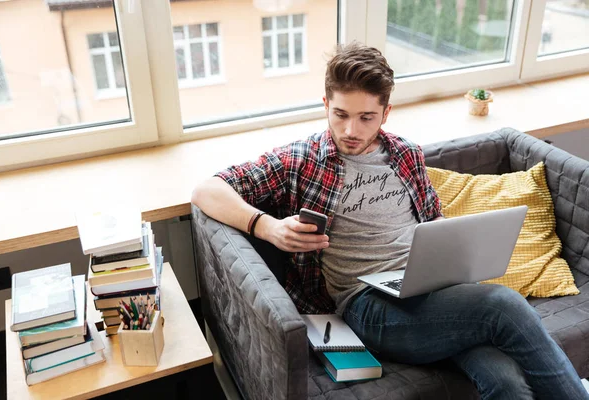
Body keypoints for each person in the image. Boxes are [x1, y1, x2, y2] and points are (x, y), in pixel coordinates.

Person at [191, 42, 588, 400]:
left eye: (366, 117)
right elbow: (206, 190)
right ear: (325, 104)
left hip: (428, 291)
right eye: (340, 114)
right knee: (503, 304)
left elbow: (435, 225)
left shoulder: (406, 156)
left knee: (505, 382)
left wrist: (456, 260)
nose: (351, 130)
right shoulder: (301, 160)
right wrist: (269, 227)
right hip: (367, 306)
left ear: (386, 112)